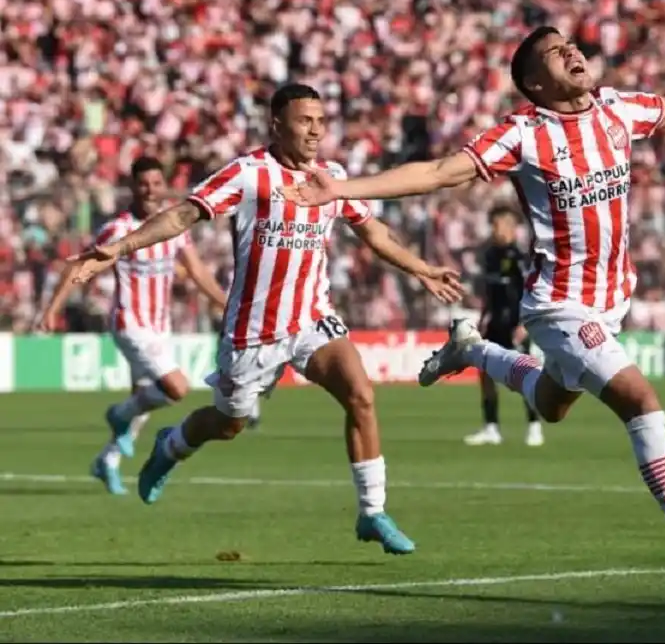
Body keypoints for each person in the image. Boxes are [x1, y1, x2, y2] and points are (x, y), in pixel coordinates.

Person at [281, 28, 665, 596]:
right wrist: (340, 192)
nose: (571, 52)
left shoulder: (618, 110)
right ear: (535, 84)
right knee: (641, 402)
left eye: (570, 45)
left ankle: (473, 351)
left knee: (551, 403)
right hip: (560, 304)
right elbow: (440, 172)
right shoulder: (525, 134)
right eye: (553, 54)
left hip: (611, 300)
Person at [68, 83, 463, 555]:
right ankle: (170, 445)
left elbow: (373, 230)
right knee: (228, 423)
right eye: (304, 120)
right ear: (277, 124)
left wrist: (420, 269)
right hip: (253, 331)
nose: (315, 130)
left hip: (312, 318)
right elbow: (181, 217)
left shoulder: (332, 177)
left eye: (320, 120)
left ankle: (372, 512)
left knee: (360, 393)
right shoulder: (248, 173)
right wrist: (117, 248)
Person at [34, 157, 229, 495]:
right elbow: (79, 266)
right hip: (130, 322)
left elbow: (197, 271)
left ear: (163, 185)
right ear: (132, 186)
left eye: (156, 183)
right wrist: (53, 308)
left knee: (142, 402)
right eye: (143, 183)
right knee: (177, 388)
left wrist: (227, 305)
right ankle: (117, 415)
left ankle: (106, 462)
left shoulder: (174, 226)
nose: (150, 190)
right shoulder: (118, 230)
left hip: (159, 325)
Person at [464, 205, 543, 447]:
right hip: (494, 322)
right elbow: (489, 293)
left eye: (498, 225)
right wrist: (482, 318)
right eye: (493, 225)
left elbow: (532, 293)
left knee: (523, 375)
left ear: (510, 228)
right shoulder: (489, 255)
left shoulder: (520, 258)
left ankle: (534, 426)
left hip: (515, 323)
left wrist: (525, 324)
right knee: (485, 373)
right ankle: (491, 427)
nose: (494, 230)